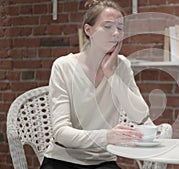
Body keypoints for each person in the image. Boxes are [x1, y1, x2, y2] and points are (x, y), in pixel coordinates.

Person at [40, 0, 149, 168]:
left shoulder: (121, 66)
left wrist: (110, 74)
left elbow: (140, 115)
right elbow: (61, 132)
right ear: (88, 30)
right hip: (62, 160)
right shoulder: (64, 66)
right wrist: (107, 136)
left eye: (119, 28)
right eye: (107, 27)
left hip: (102, 161)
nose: (115, 33)